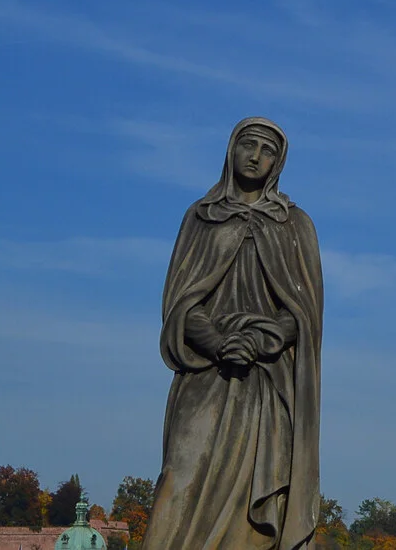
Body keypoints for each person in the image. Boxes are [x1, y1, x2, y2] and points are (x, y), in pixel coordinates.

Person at [145, 117, 323, 550]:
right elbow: (180, 302)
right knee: (179, 473)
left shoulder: (294, 225)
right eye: (249, 144)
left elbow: (304, 311)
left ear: (278, 163)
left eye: (267, 150)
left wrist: (262, 340)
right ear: (231, 149)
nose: (255, 156)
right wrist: (218, 342)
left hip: (266, 380)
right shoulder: (201, 217)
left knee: (253, 495)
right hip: (206, 371)